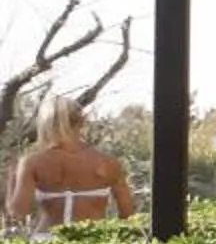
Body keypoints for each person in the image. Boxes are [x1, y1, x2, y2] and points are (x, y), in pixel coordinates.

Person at [8, 95, 135, 232]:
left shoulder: (32, 163)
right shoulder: (107, 163)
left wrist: (12, 179)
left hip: (46, 243)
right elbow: (128, 214)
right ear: (82, 121)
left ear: (44, 124)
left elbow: (18, 212)